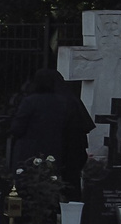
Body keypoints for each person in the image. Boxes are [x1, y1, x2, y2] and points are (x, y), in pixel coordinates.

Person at [9, 67, 94, 197]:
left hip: (30, 153)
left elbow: (17, 129)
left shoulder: (31, 101)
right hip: (60, 155)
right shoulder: (67, 101)